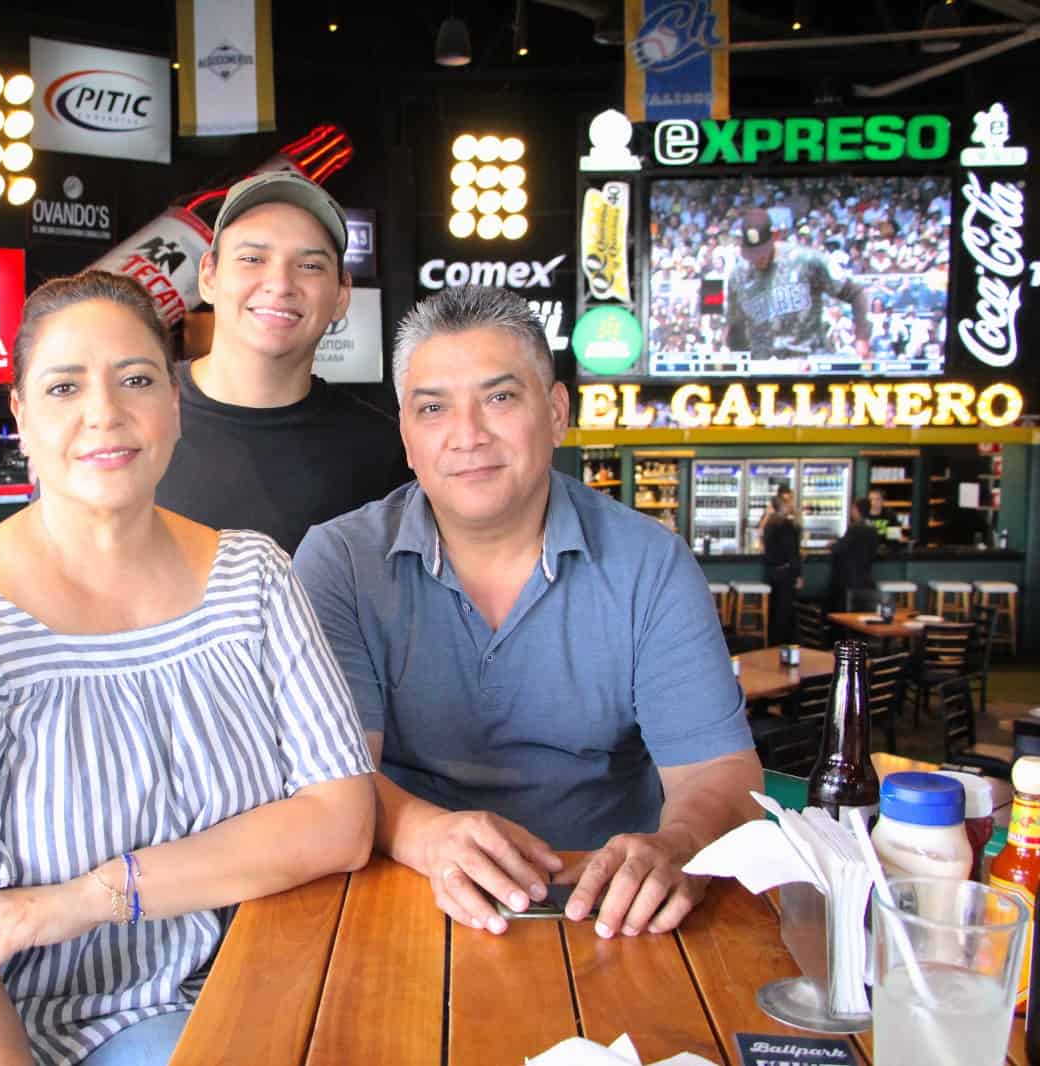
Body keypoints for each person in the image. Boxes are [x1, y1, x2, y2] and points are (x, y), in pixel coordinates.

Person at [0, 271, 375, 1066]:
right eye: (64, 387)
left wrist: (92, 899)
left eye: (135, 380)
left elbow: (340, 819)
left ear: (173, 406)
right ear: (20, 417)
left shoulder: (254, 579)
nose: (104, 413)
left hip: (145, 993)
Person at [293, 285, 761, 943]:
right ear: (405, 434)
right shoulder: (340, 561)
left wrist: (679, 844)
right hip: (398, 891)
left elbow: (722, 775)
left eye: (500, 398)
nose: (468, 435)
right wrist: (426, 834)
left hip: (604, 910)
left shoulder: (650, 563)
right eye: (433, 408)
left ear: (557, 411)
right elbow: (332, 777)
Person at [156, 170, 408, 553]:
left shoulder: (383, 453)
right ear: (208, 275)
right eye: (253, 258)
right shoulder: (135, 413)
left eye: (309, 266)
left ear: (342, 294)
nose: (280, 283)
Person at [725, 207, 873, 370]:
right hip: (763, 365)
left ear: (774, 237)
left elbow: (856, 293)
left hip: (807, 360)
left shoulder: (806, 260)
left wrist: (862, 339)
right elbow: (735, 326)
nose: (757, 258)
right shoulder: (739, 274)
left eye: (761, 251)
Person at [761, 484, 803, 645]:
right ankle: (783, 645)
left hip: (772, 572)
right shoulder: (786, 525)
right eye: (789, 503)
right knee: (784, 612)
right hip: (786, 572)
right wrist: (798, 574)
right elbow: (792, 551)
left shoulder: (770, 523)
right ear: (784, 505)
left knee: (775, 610)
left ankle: (772, 643)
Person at [827, 496, 879, 613]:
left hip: (849, 578)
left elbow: (839, 548)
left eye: (852, 509)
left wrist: (832, 545)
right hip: (865, 577)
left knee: (844, 611)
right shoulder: (873, 528)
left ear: (856, 509)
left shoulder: (855, 528)